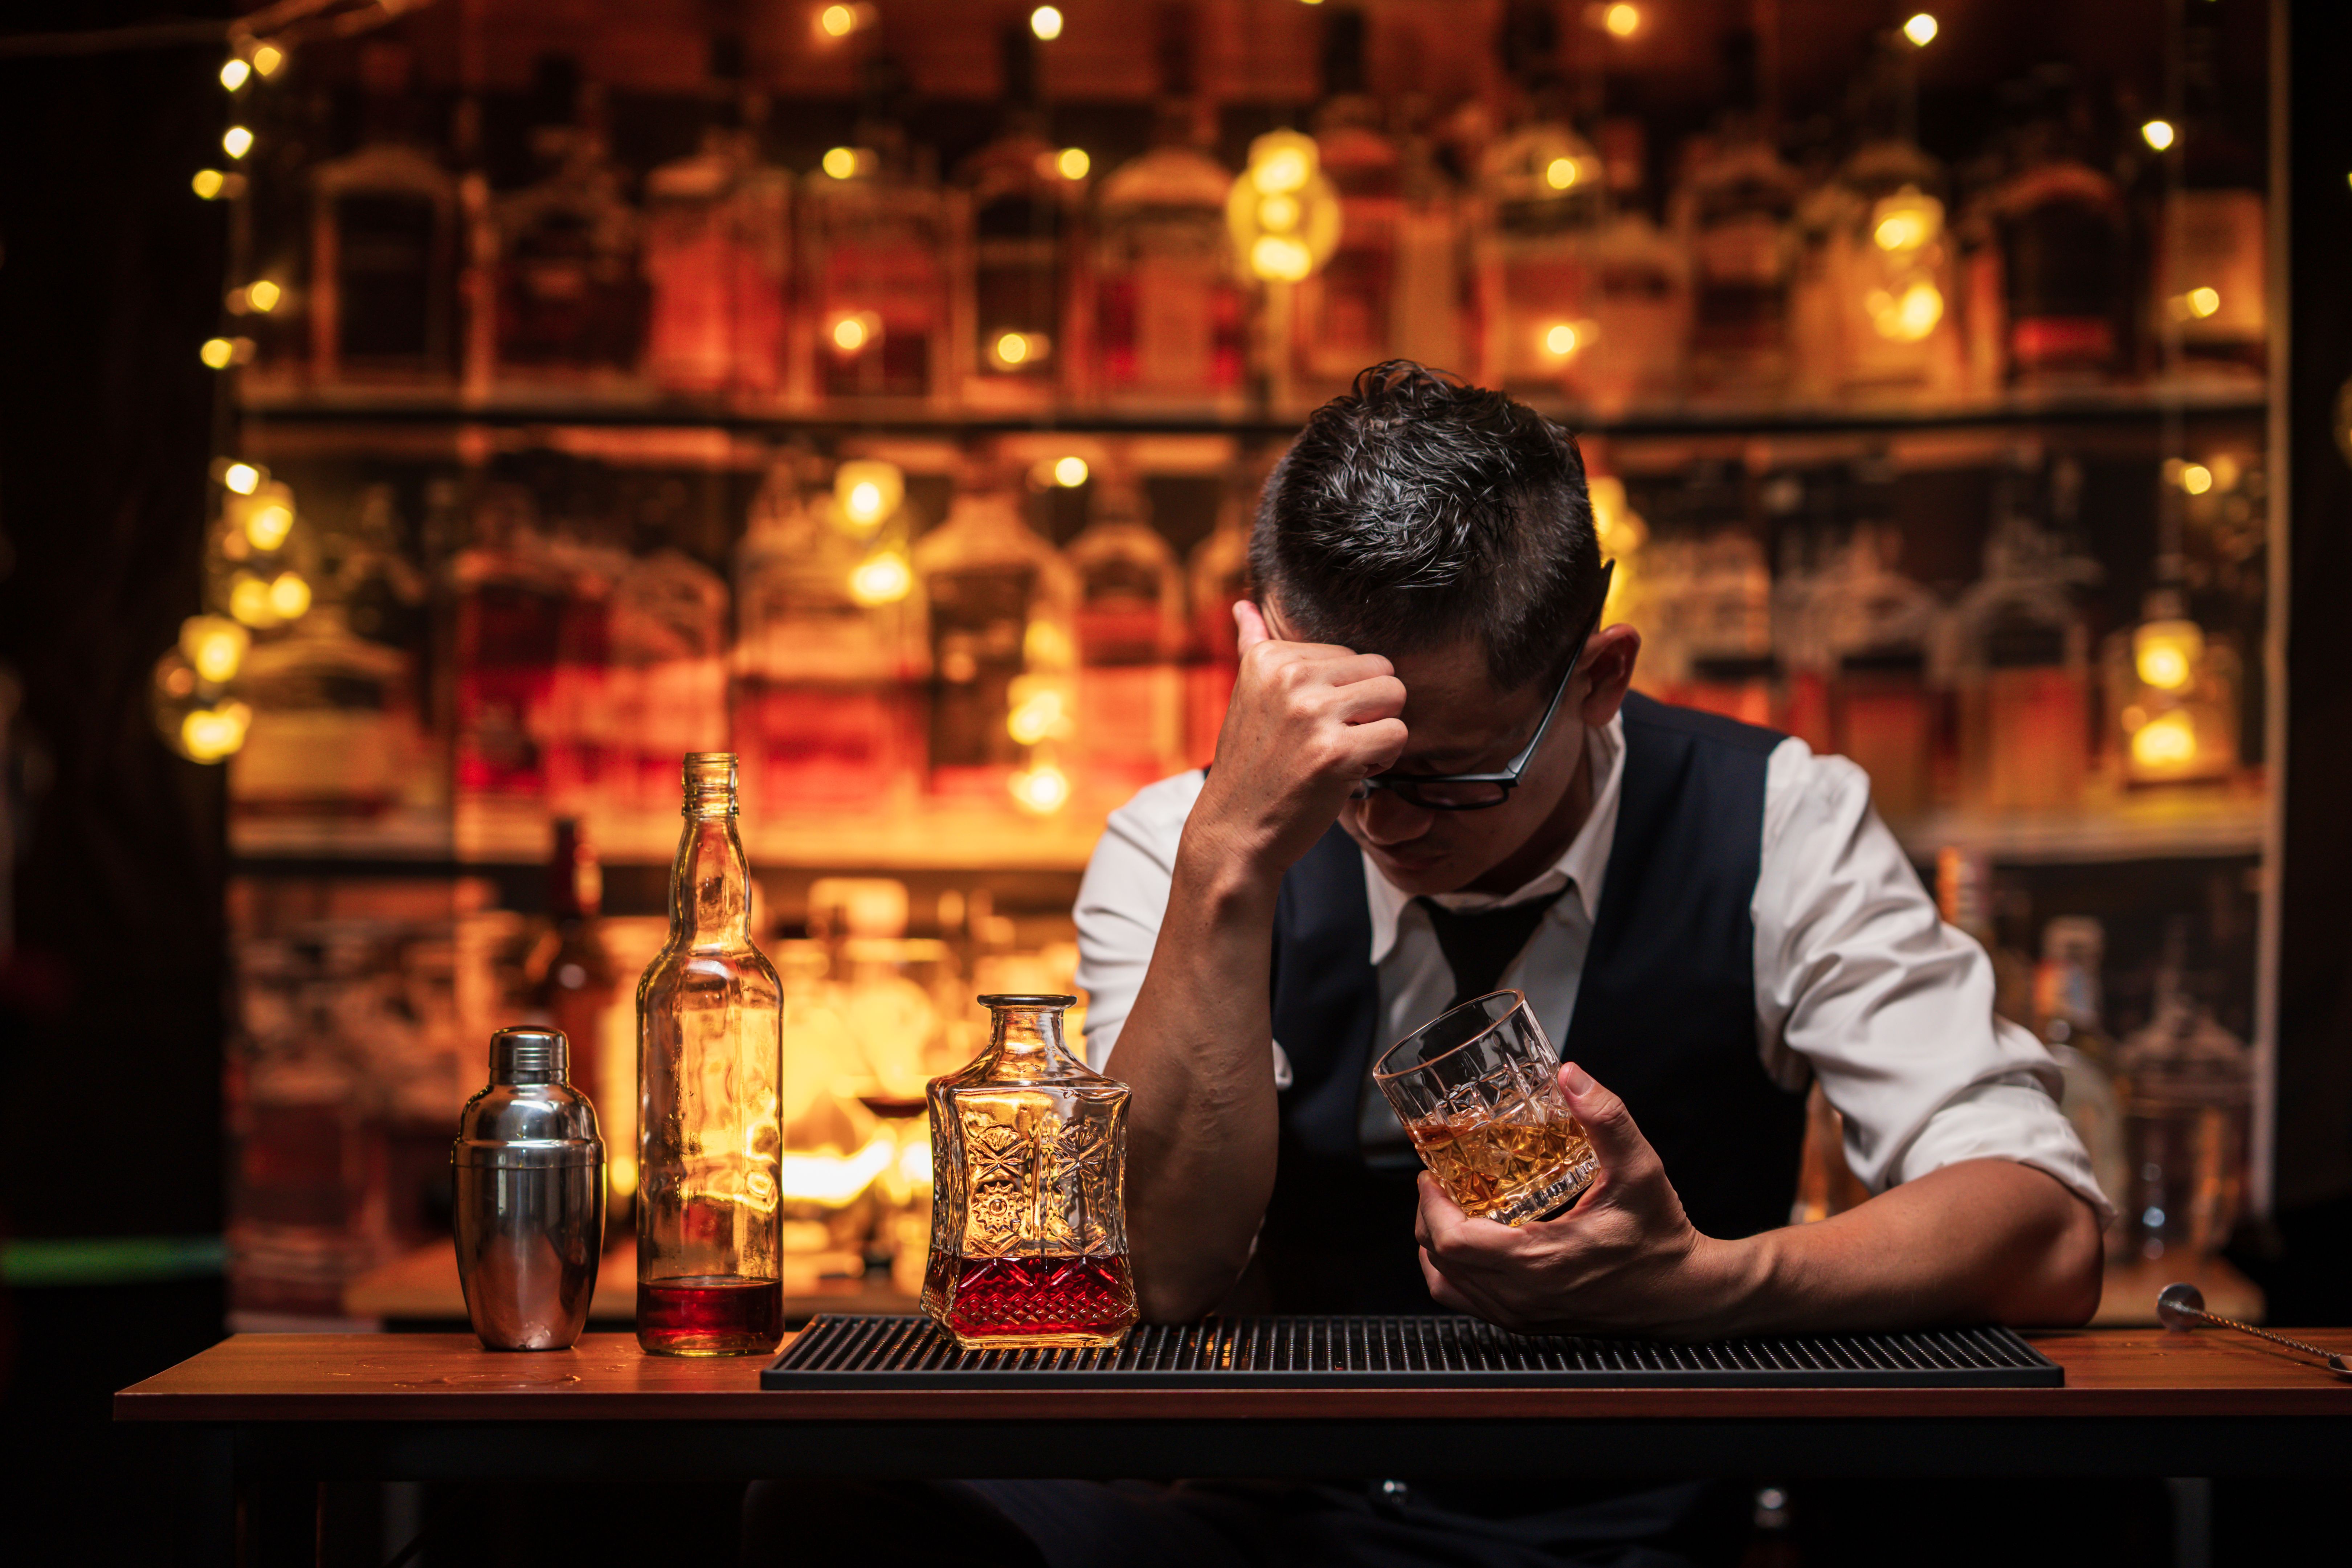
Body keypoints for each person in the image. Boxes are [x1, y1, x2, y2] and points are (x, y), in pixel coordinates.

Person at [745, 363, 2108, 1567]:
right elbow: (1150, 1275)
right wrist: (1233, 857)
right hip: (1265, 1523)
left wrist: (1708, 1285)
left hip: (1640, 1533)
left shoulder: (1782, 819)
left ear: (1598, 680)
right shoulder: (1186, 844)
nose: (1385, 822)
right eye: (1344, 762)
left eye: (1451, 776)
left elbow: (2043, 1228)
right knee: (825, 1503)